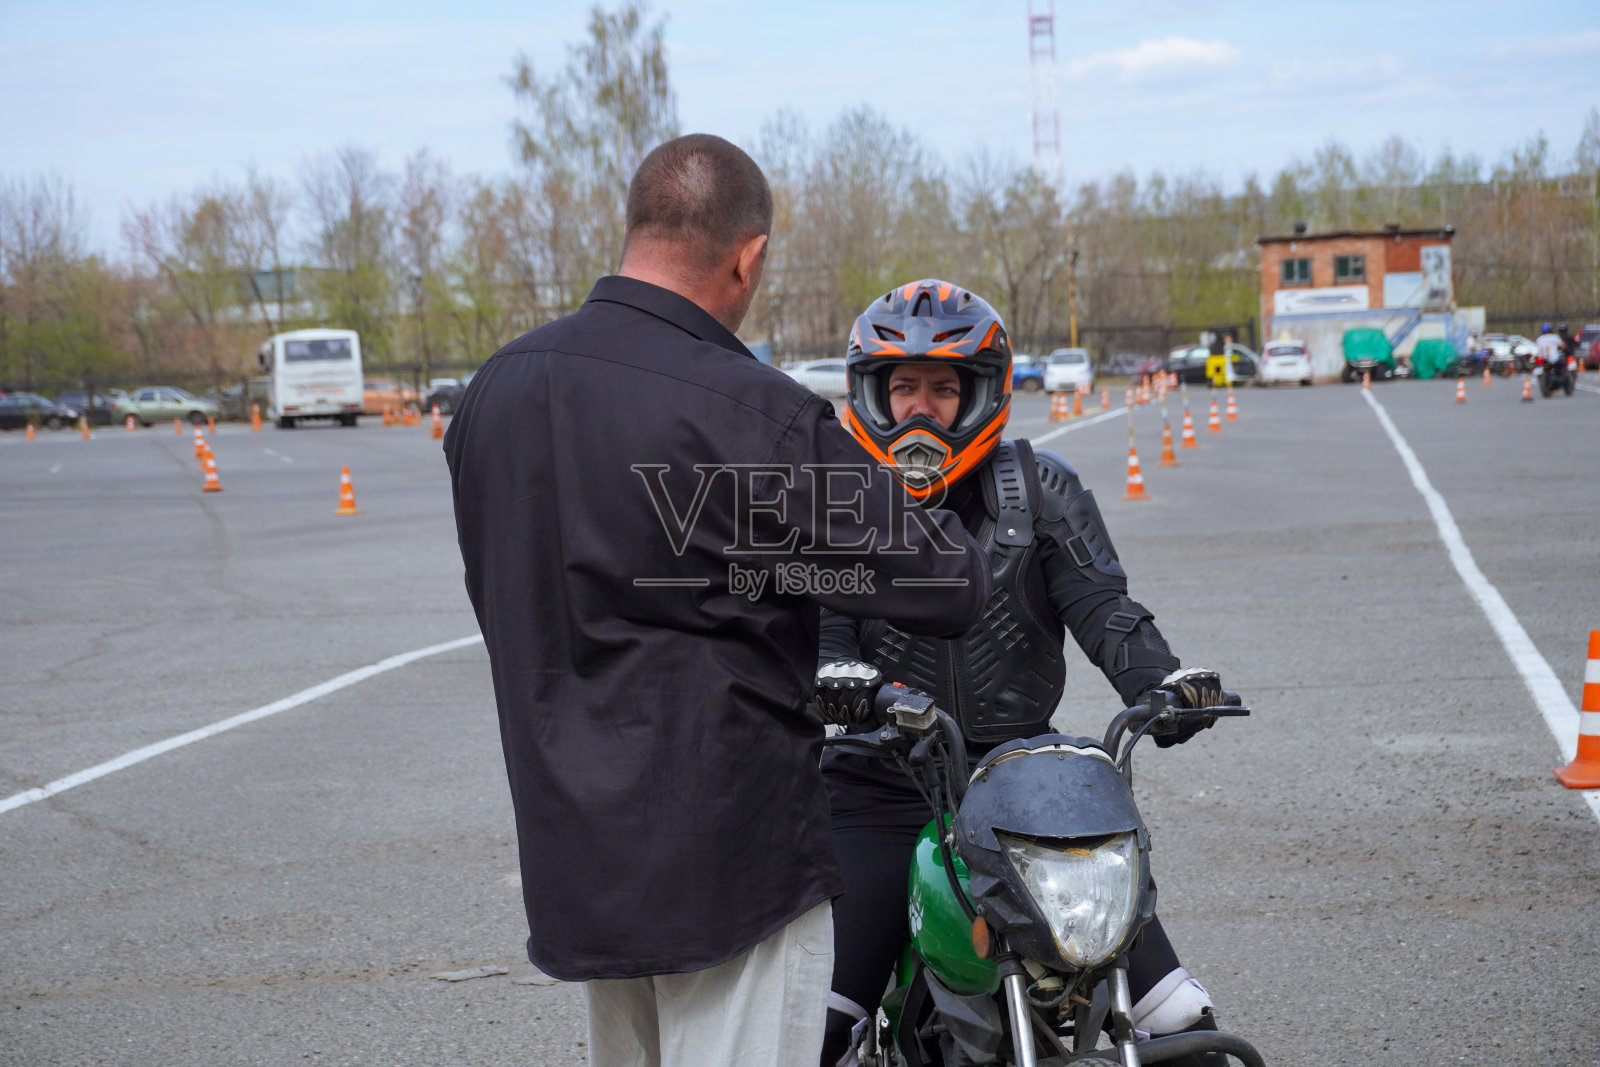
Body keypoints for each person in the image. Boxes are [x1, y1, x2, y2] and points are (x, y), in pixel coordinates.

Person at [444, 137, 992, 1067]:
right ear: (749, 256)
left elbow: (507, 600)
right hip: (733, 865)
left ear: (637, 230)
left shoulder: (492, 394)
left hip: (577, 854)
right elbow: (947, 580)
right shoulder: (752, 409)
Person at [813, 280, 1232, 1067]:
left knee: (1181, 1023)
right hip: (880, 785)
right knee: (822, 1026)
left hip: (1023, 785)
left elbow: (1105, 606)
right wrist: (839, 677)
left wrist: (1163, 684)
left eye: (943, 388)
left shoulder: (1042, 490)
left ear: (982, 395)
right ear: (873, 393)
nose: (920, 410)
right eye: (904, 386)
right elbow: (821, 632)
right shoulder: (845, 501)